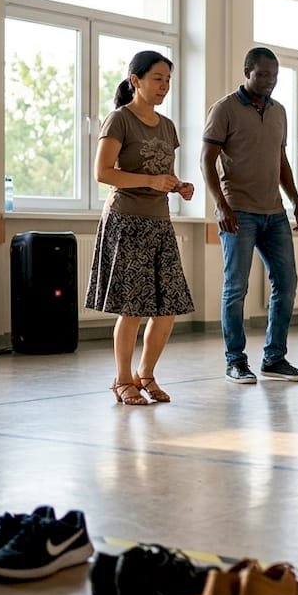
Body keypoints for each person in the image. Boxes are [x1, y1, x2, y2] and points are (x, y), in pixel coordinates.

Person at [87, 50, 196, 406]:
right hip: (127, 221)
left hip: (159, 223)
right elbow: (104, 173)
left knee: (167, 309)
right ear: (135, 80)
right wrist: (152, 180)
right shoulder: (119, 119)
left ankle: (146, 374)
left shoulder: (168, 126)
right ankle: (122, 380)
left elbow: (160, 173)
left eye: (168, 80)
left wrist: (179, 185)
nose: (164, 86)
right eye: (157, 79)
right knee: (132, 307)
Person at [202, 47, 298, 385]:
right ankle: (235, 361)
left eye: (274, 76)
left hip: (274, 212)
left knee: (287, 283)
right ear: (247, 71)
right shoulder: (225, 109)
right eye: (262, 74)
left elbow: (281, 161)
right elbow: (206, 159)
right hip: (239, 212)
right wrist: (221, 205)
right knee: (236, 287)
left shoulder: (279, 112)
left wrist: (296, 201)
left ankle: (274, 358)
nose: (269, 82)